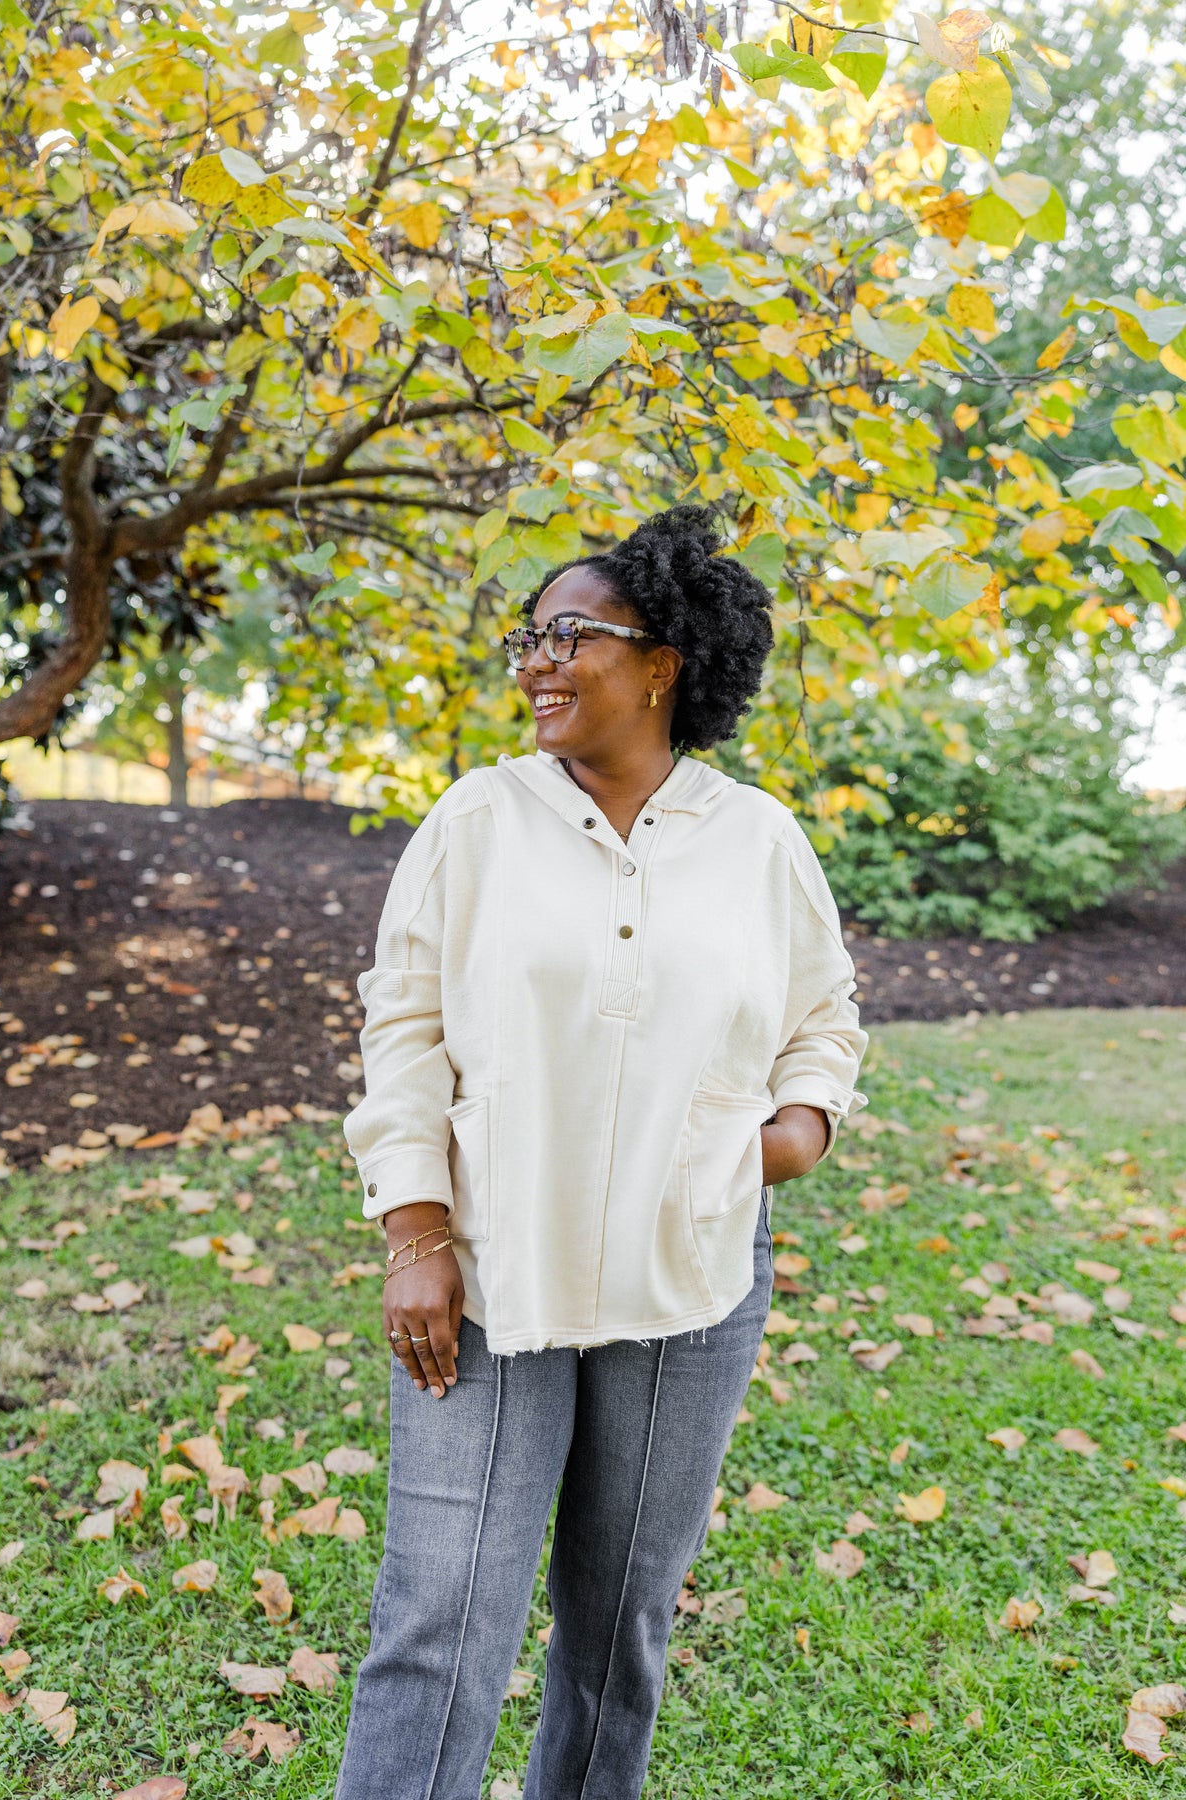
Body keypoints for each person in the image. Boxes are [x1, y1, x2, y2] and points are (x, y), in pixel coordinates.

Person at [334, 505, 868, 1800]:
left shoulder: (759, 840)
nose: (538, 661)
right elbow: (402, 1026)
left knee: (619, 1628)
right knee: (439, 1628)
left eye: (572, 635)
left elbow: (825, 1014)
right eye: (530, 638)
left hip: (689, 1283)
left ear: (665, 661)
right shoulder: (478, 821)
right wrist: (415, 1236)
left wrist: (797, 1129)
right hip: (492, 1274)